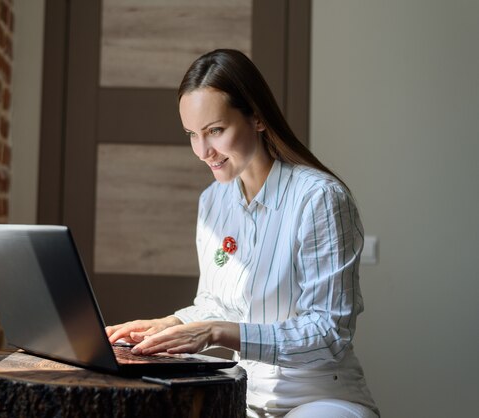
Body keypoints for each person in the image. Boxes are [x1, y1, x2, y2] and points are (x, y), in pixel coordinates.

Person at [106, 49, 379, 418]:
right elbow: (214, 304)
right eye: (192, 135)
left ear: (257, 118)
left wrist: (216, 332)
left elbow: (329, 333)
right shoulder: (213, 202)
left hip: (318, 399)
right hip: (242, 398)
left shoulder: (319, 198)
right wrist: (170, 325)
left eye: (215, 131)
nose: (204, 151)